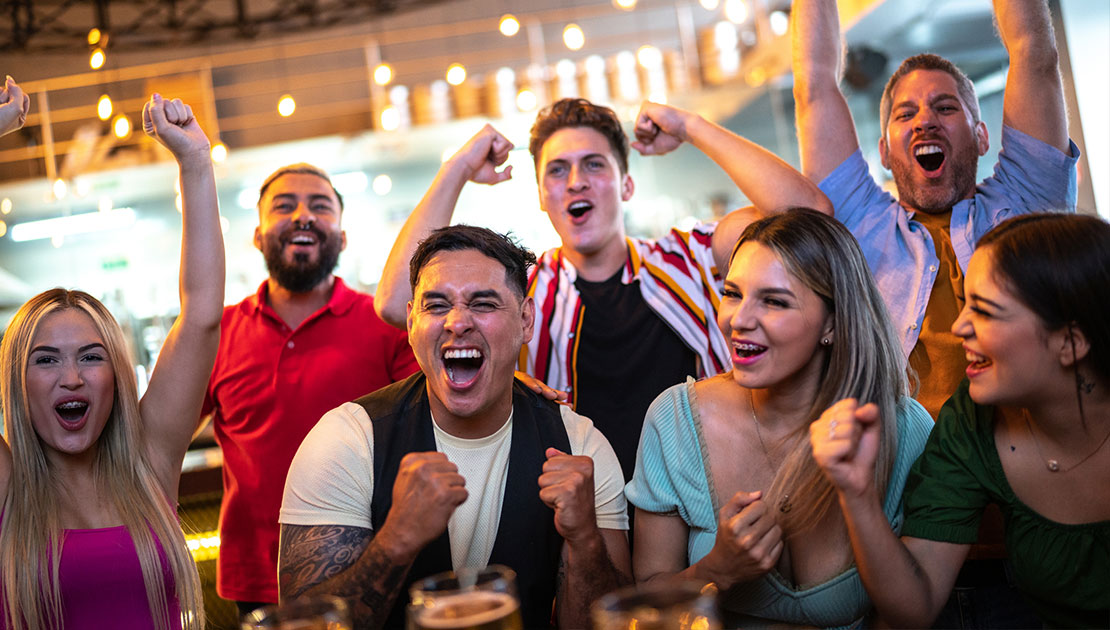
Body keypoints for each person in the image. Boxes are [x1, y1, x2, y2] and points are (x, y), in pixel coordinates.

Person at [374, 99, 831, 484]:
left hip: (710, 498)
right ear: (540, 195)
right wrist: (456, 168)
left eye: (594, 164)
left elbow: (810, 215)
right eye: (557, 170)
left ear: (626, 184)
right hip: (579, 514)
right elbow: (397, 302)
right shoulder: (522, 288)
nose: (576, 181)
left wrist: (692, 126)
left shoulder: (690, 257)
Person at [278, 225, 630, 630]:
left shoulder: (579, 444)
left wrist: (585, 539)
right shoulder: (348, 440)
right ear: (411, 322)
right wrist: (396, 540)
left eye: (483, 304)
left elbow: (611, 623)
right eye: (437, 305)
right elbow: (300, 624)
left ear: (526, 320)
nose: (458, 322)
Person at [625, 209, 933, 628]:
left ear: (833, 322)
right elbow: (646, 604)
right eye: (732, 293)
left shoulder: (905, 429)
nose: (739, 320)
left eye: (773, 301)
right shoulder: (675, 419)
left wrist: (858, 497)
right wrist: (717, 569)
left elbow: (912, 618)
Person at [811, 213, 1110, 628]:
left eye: (985, 311)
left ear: (1070, 341)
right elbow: (913, 609)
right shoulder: (972, 420)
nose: (958, 327)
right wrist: (857, 494)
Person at [792, 0, 1078, 420]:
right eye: (905, 113)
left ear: (981, 137)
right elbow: (814, 86)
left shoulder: (1027, 200)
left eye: (945, 108)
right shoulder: (858, 221)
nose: (925, 121)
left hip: (1031, 450)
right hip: (910, 467)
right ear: (885, 152)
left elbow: (1034, 52)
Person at [0, 94, 220, 629]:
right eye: (45, 359)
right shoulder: (7, 486)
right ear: (17, 381)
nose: (71, 377)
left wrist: (195, 162)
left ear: (117, 377)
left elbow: (202, 317)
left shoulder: (149, 460)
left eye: (91, 357)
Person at [200, 163, 418, 614]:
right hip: (258, 580)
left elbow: (440, 412)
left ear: (342, 236)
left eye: (320, 206)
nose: (303, 215)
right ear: (258, 235)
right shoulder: (216, 333)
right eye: (284, 206)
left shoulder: (388, 325)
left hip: (372, 567)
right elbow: (158, 433)